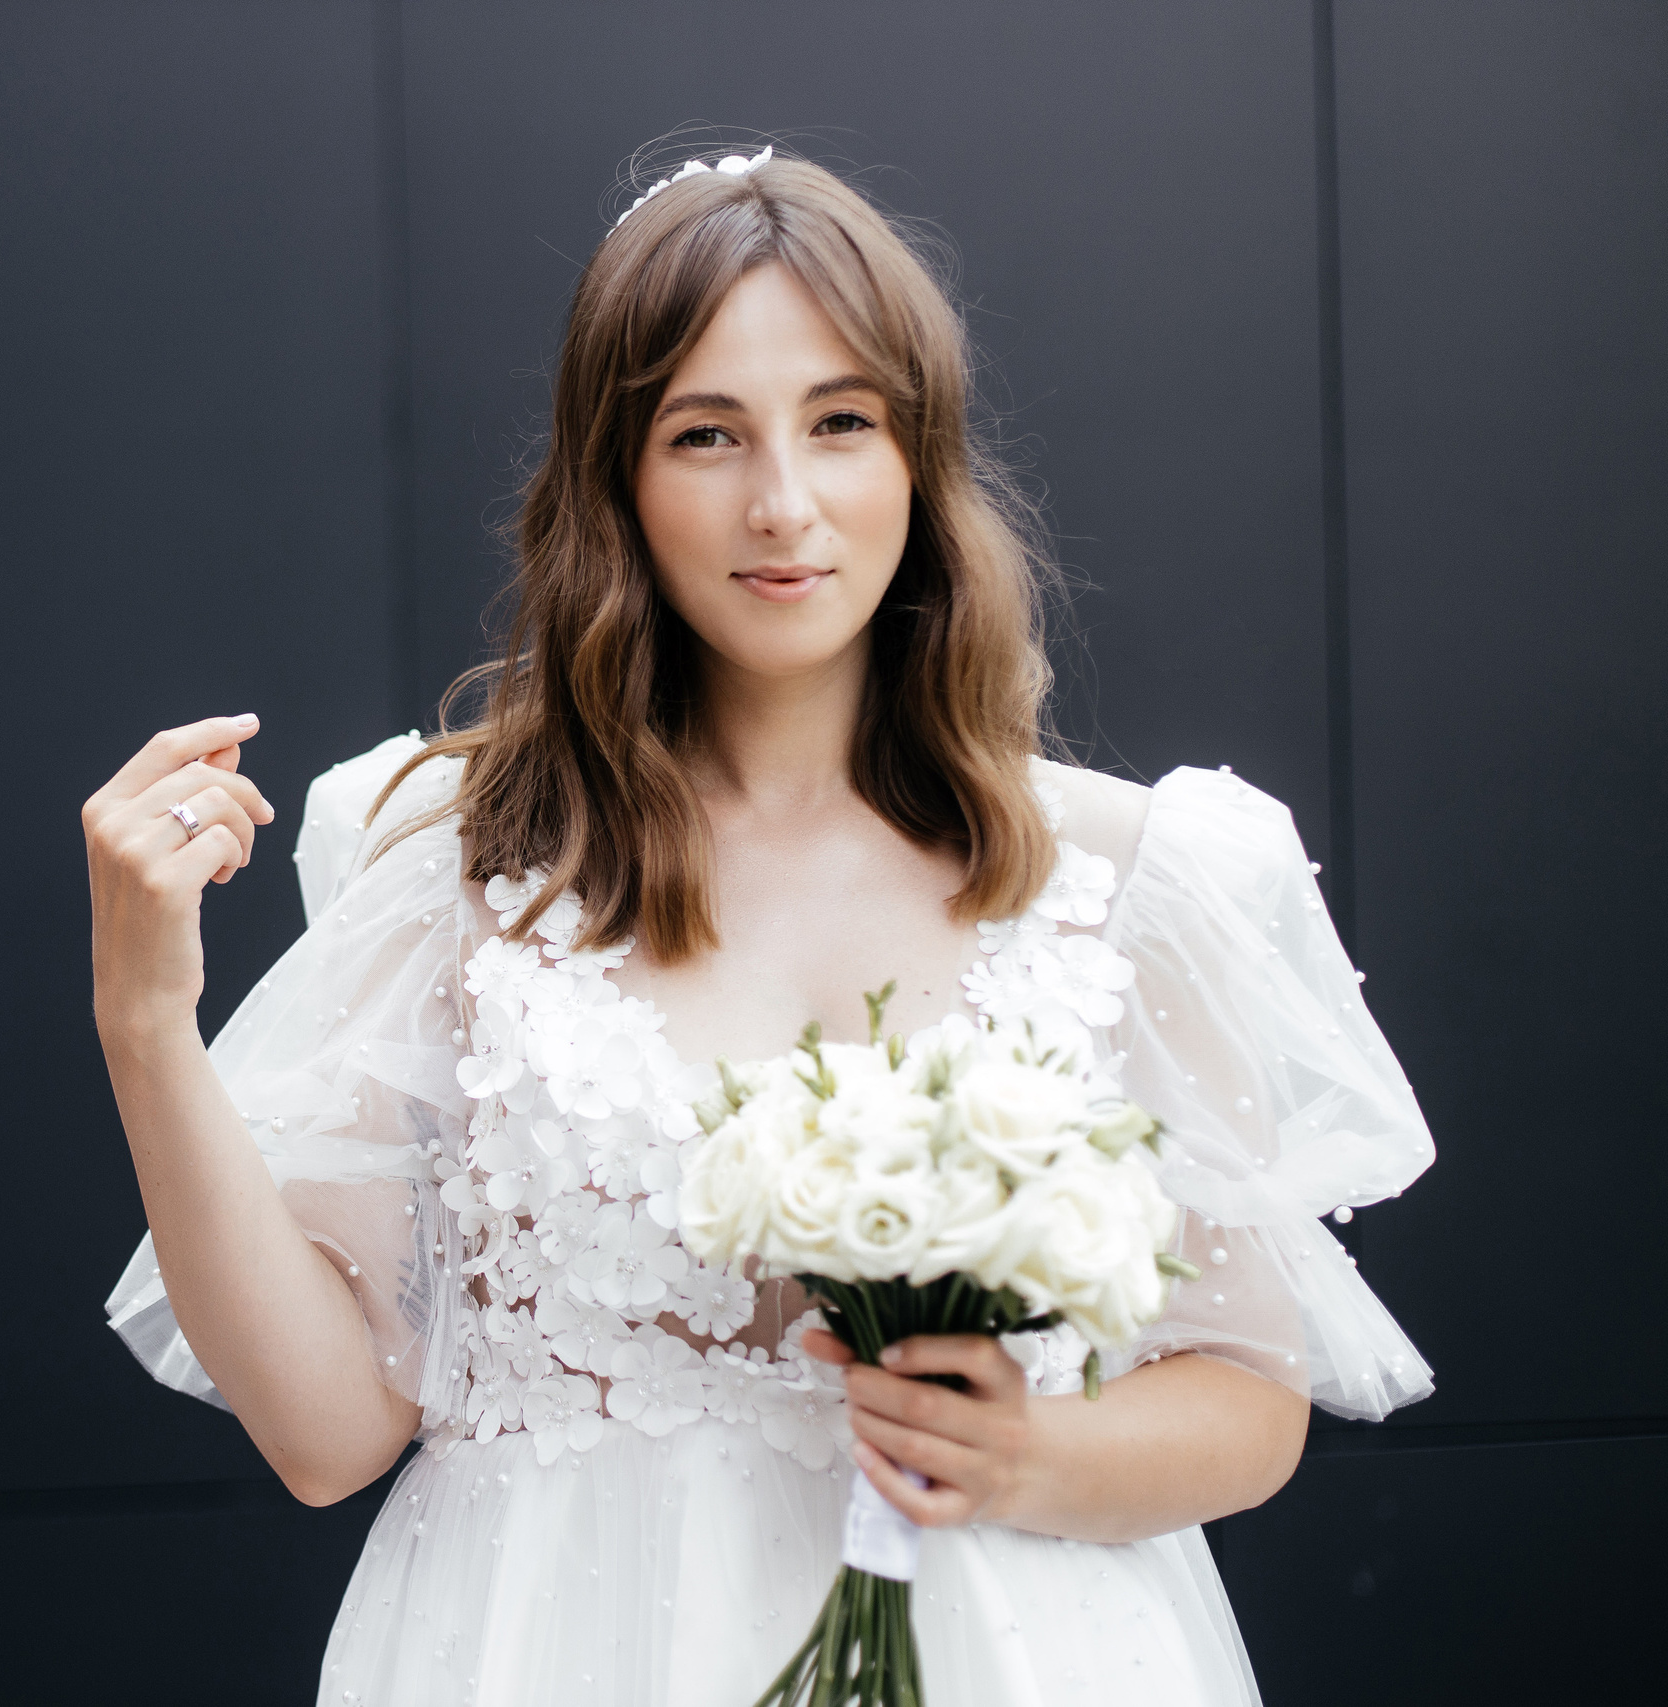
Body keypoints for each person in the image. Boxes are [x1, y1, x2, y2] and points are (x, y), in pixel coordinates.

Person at [87, 151, 1434, 1705]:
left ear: (920, 458)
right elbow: (327, 1435)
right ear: (616, 477)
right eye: (706, 433)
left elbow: (1247, 1400)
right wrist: (143, 1021)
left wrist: (1016, 1448)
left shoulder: (1130, 875)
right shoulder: (457, 862)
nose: (783, 502)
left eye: (842, 422)